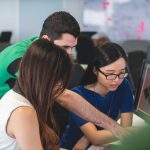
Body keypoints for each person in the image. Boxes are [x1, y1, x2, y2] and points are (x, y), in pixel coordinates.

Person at [0, 11, 127, 140]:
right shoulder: (21, 58)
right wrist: (114, 128)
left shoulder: (43, 48)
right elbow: (63, 96)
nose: (69, 54)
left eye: (73, 47)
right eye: (65, 47)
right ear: (46, 40)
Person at [0, 39, 73, 149]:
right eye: (58, 79)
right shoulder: (23, 112)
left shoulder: (13, 95)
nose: (60, 85)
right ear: (41, 75)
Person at [60, 42, 134, 150]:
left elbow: (126, 127)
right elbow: (96, 138)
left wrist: (87, 138)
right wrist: (92, 137)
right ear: (95, 70)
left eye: (122, 73)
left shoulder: (123, 85)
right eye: (110, 74)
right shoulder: (78, 95)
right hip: (71, 147)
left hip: (102, 145)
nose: (117, 80)